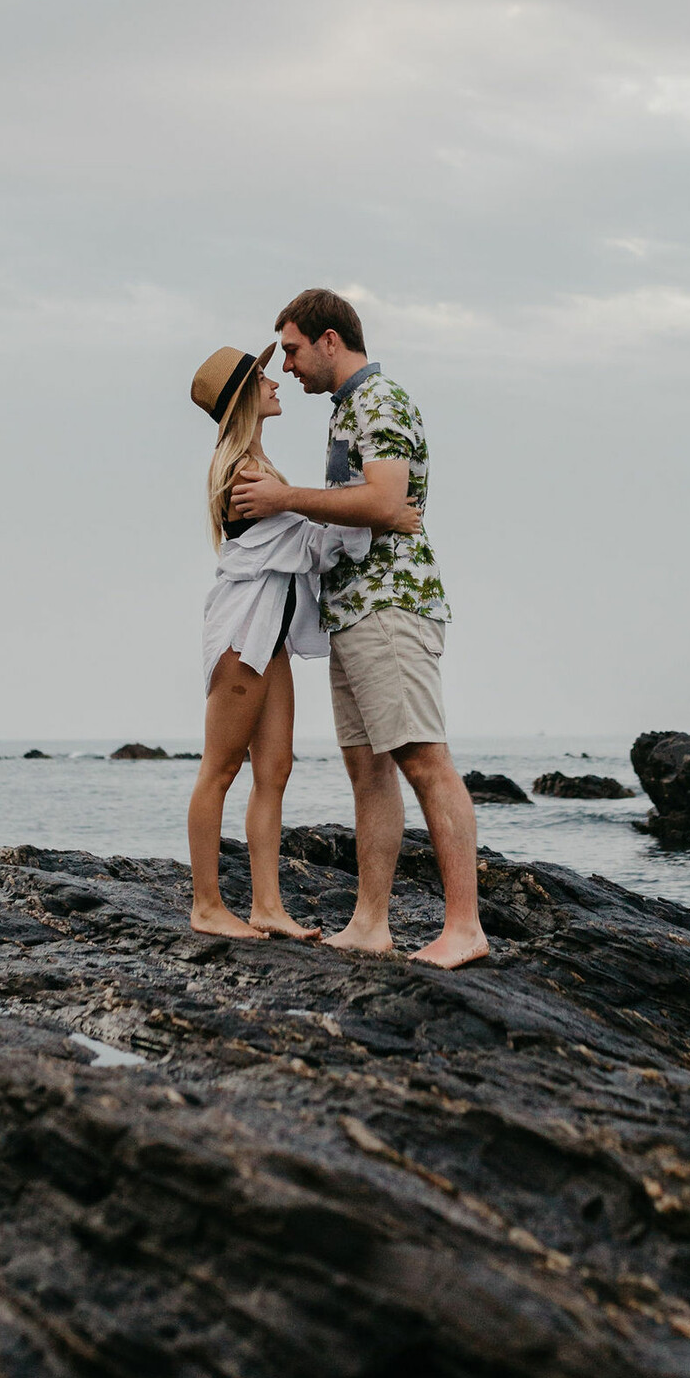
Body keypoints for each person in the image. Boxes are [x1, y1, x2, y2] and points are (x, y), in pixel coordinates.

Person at [229, 289, 487, 969]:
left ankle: (464, 926)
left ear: (330, 340)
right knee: (367, 769)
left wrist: (285, 499)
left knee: (424, 758)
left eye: (291, 349)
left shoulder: (380, 401)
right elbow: (365, 510)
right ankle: (372, 922)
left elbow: (382, 499)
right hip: (353, 608)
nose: (286, 367)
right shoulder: (350, 409)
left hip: (391, 605)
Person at [186, 341, 407, 943]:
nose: (276, 379)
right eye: (264, 375)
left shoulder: (264, 468)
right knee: (221, 768)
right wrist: (382, 515)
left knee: (274, 768)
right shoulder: (242, 472)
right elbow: (308, 544)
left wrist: (354, 515)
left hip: (271, 636)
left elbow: (305, 537)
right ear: (243, 399)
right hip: (242, 636)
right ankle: (207, 905)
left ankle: (266, 907)